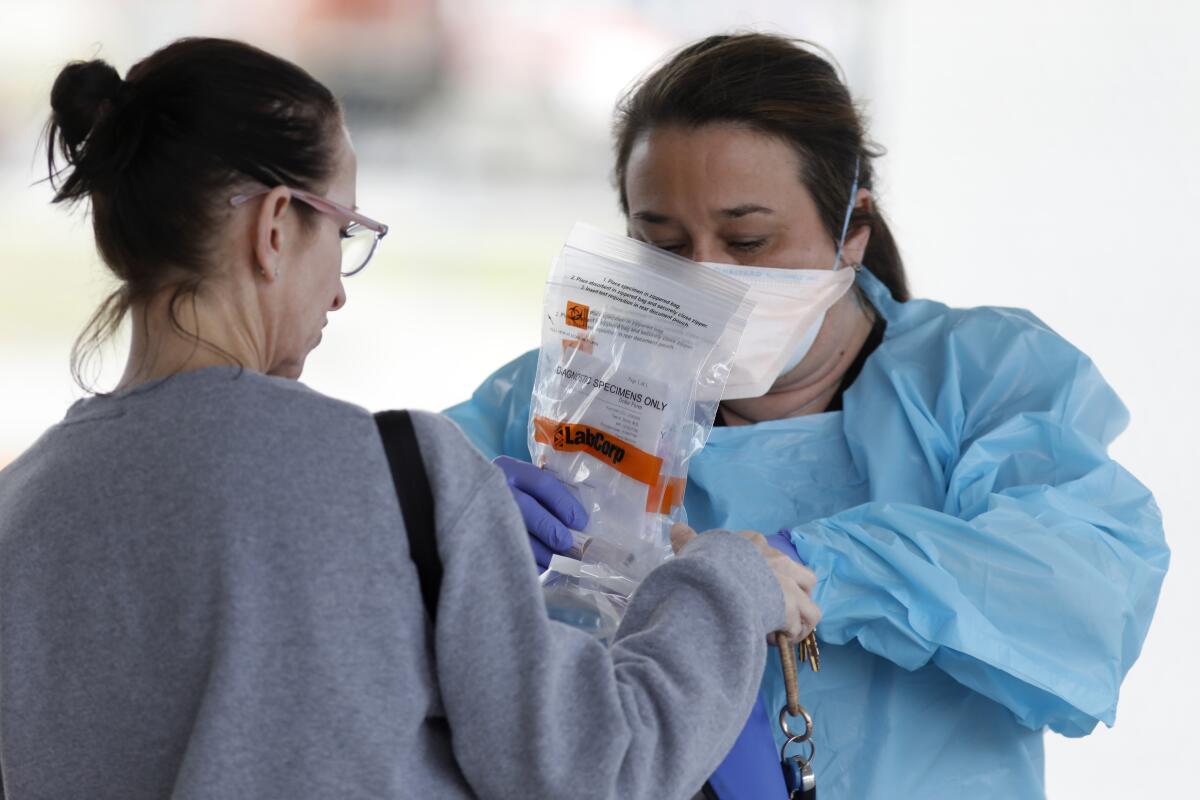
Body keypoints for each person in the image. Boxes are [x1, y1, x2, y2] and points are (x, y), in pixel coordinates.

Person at [0, 38, 821, 800]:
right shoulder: (400, 475)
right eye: (347, 230)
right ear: (275, 227)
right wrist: (731, 583)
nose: (340, 289)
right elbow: (597, 769)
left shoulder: (20, 512)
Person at [445, 33, 1171, 799]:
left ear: (852, 228)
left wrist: (802, 565)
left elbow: (1082, 602)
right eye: (662, 244)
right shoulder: (563, 401)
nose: (706, 276)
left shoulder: (983, 378)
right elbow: (367, 583)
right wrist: (462, 542)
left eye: (748, 240)